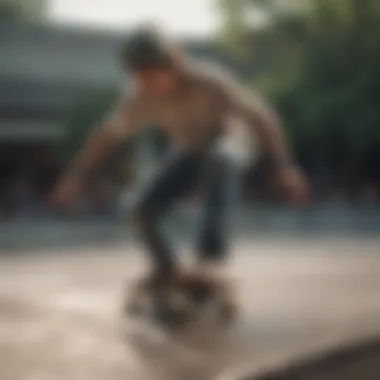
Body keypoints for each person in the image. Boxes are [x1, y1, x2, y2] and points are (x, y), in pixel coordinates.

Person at [50, 26, 308, 312]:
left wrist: (284, 166)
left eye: (154, 75)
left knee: (219, 159)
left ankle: (209, 260)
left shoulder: (209, 82)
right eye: (141, 78)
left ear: (173, 63)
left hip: (231, 144)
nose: (150, 85)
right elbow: (106, 135)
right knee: (138, 208)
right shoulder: (140, 97)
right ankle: (166, 266)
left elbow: (262, 117)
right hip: (188, 151)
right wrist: (77, 176)